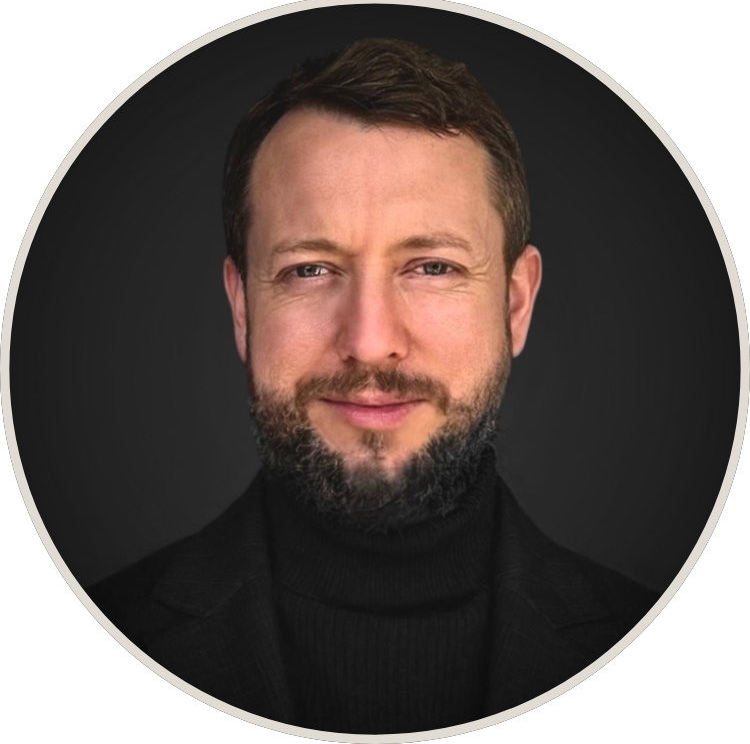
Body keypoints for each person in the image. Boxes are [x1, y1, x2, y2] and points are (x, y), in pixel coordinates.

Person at [89, 38, 658, 735]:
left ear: (515, 303)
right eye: (310, 270)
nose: (367, 340)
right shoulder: (90, 647)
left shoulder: (658, 653)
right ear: (242, 308)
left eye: (432, 267)